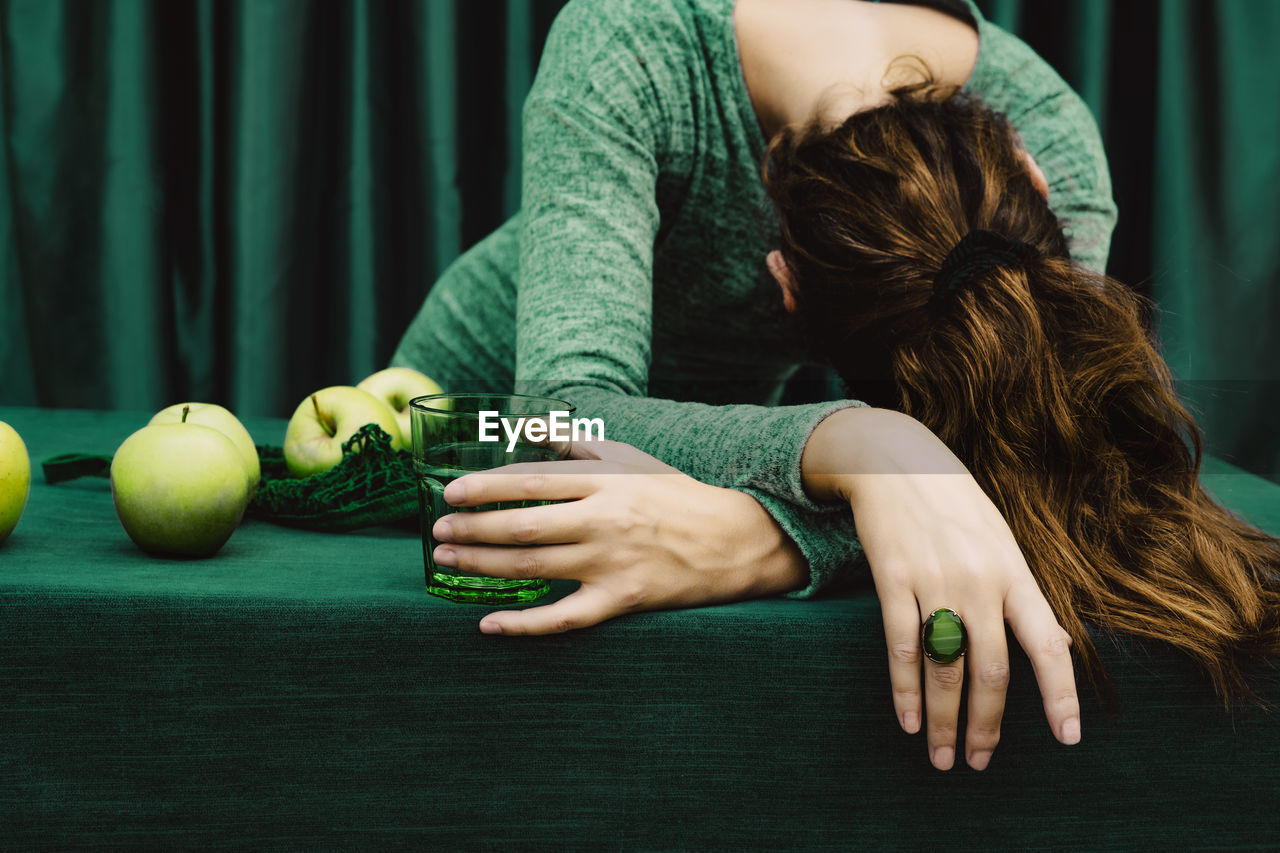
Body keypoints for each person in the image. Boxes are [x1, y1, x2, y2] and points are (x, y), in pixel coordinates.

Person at [391, 0, 1279, 772]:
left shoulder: (1054, 144)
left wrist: (765, 540)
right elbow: (559, 413)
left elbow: (1033, 466)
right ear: (786, 288)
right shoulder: (630, 44)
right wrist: (864, 442)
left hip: (725, 479)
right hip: (460, 419)